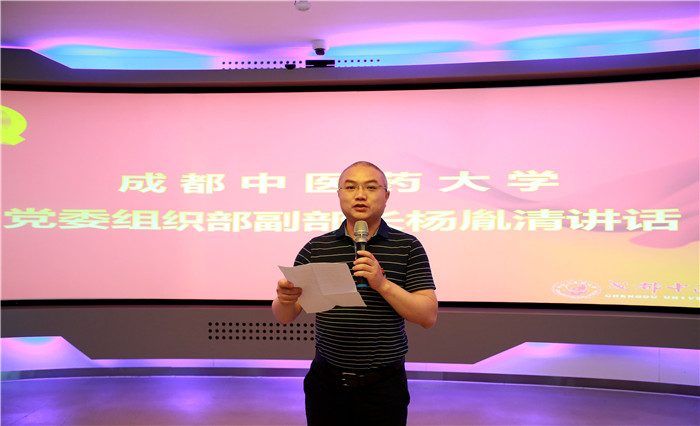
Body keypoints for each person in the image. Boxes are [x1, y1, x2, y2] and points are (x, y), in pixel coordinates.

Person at [272, 161, 438, 426]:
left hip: (384, 386)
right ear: (339, 194)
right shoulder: (317, 248)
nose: (360, 195)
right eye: (350, 187)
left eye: (371, 187)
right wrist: (284, 299)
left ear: (386, 195)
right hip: (326, 384)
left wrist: (382, 284)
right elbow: (284, 315)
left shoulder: (407, 246)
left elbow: (427, 316)